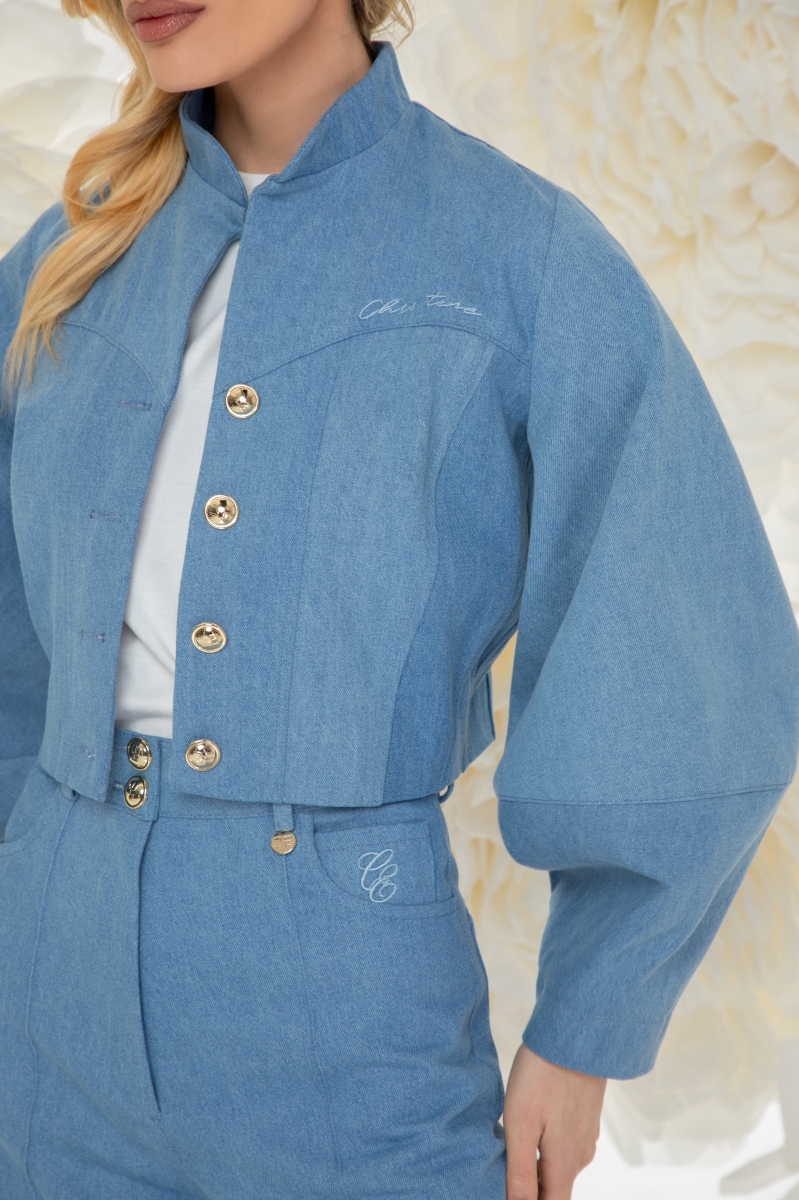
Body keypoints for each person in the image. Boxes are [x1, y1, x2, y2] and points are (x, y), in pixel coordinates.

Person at [1, 0, 797, 1197]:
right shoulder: (74, 249)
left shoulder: (519, 256)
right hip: (44, 1005)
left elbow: (684, 646)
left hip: (346, 1009)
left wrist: (583, 1027)